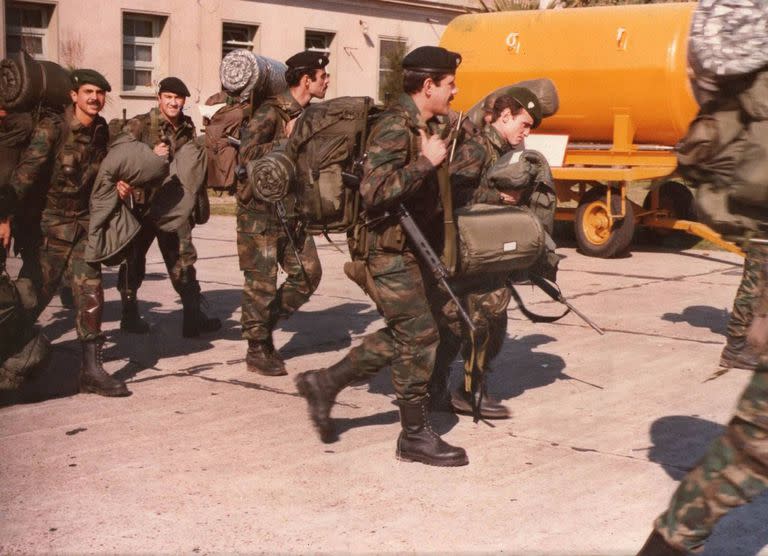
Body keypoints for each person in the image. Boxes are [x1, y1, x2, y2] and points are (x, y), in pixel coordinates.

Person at [295, 46, 469, 467]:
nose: (455, 91)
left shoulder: (422, 123)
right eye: (449, 84)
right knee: (419, 333)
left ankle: (326, 382)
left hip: (409, 246)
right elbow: (374, 191)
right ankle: (413, 435)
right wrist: (425, 164)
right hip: (385, 248)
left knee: (416, 328)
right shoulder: (395, 126)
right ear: (428, 86)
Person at [429, 88, 557, 418]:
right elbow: (450, 190)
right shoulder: (477, 147)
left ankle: (443, 389)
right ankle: (467, 391)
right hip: (466, 252)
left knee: (464, 325)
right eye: (524, 124)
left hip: (483, 252)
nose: (526, 133)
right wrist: (499, 197)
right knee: (484, 322)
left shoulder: (503, 150)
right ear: (504, 117)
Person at [5, 69, 129, 397]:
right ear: (74, 95)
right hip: (49, 231)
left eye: (100, 93)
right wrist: (4, 216)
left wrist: (118, 185)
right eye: (88, 91)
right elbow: (25, 175)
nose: (94, 98)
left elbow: (103, 173)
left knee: (91, 294)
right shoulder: (52, 129)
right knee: (29, 300)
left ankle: (91, 370)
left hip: (84, 230)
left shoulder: (102, 130)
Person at [236, 51, 328, 376]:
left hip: (293, 211)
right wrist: (284, 143)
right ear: (307, 80)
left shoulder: (309, 114)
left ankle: (262, 325)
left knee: (308, 274)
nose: (327, 80)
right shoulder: (270, 112)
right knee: (260, 282)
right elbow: (245, 159)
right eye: (323, 75)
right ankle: (257, 348)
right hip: (260, 213)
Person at [116, 76, 221, 338]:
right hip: (141, 208)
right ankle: (129, 316)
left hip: (173, 207)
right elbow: (118, 158)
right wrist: (149, 156)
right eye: (169, 97)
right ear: (159, 98)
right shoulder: (139, 125)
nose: (174, 103)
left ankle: (192, 317)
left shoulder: (187, 126)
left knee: (183, 260)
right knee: (133, 261)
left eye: (179, 98)